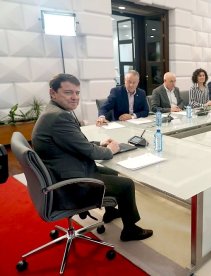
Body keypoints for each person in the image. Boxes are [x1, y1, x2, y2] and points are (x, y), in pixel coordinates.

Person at [32, 73, 153, 242]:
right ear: (53, 93)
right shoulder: (59, 116)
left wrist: (100, 143)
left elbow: (75, 141)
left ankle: (111, 211)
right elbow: (89, 152)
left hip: (63, 168)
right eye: (68, 92)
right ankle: (130, 230)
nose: (75, 97)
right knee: (126, 184)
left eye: (77, 92)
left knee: (112, 173)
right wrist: (110, 150)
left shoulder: (55, 111)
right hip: (70, 180)